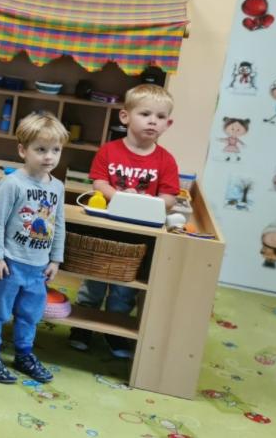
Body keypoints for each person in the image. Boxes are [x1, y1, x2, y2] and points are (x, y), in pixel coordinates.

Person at [73, 84, 179, 359]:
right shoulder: (109, 151)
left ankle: (116, 331)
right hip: (107, 228)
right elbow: (99, 183)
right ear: (125, 117)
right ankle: (82, 326)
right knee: (94, 279)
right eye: (145, 114)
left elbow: (169, 197)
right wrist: (121, 197)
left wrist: (145, 202)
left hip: (139, 233)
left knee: (125, 287)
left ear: (168, 124)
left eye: (160, 117)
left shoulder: (166, 160)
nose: (152, 121)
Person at [0, 113, 69, 384]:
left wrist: (55, 259)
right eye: (40, 149)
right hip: (8, 263)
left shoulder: (57, 187)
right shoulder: (12, 184)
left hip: (37, 266)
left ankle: (23, 354)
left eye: (55, 150)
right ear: (23, 150)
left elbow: (59, 224)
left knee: (30, 313)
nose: (49, 157)